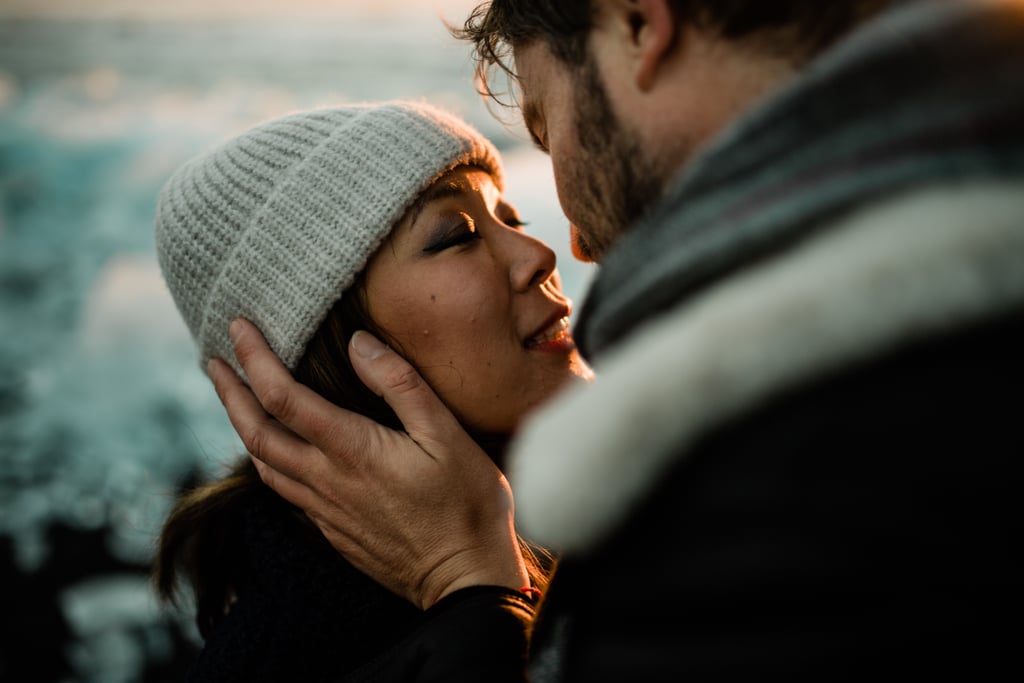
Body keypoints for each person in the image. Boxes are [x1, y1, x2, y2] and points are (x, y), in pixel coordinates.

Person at [210, 1, 1024, 680]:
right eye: (458, 232)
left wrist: (472, 596)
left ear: (640, 21)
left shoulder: (771, 471)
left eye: (547, 124)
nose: (564, 249)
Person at [151, 100, 593, 682]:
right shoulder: (275, 659)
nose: (539, 256)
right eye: (456, 235)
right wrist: (475, 596)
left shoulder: (606, 519)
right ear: (331, 353)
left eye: (510, 220)